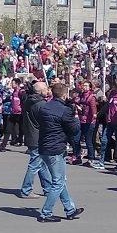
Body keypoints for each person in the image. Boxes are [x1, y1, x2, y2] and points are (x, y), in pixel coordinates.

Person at [32, 81, 85, 222]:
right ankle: (46, 213)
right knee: (58, 182)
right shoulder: (64, 110)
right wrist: (75, 115)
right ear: (64, 94)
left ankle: (70, 209)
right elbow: (74, 129)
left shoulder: (45, 107)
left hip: (44, 146)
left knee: (59, 180)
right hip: (55, 148)